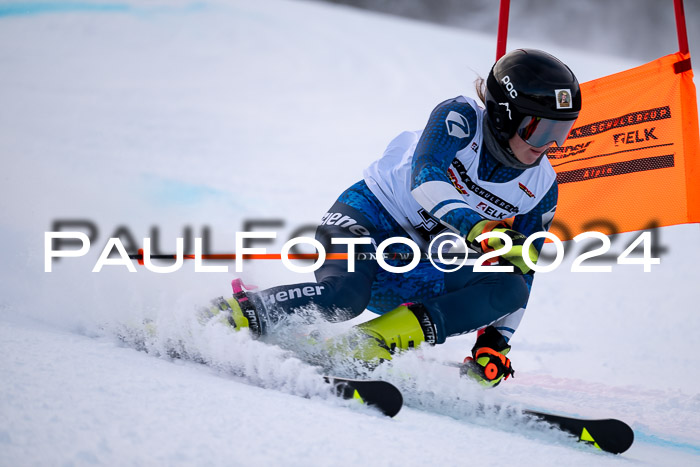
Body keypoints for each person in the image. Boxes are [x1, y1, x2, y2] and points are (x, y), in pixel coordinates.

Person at [210, 49, 581, 387]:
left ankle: (369, 344)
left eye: (561, 131)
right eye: (540, 128)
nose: (550, 143)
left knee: (509, 286)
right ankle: (225, 317)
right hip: (367, 221)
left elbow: (524, 267)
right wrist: (479, 228)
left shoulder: (542, 185)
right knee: (342, 298)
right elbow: (426, 178)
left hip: (416, 270)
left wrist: (496, 341)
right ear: (504, 114)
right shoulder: (460, 117)